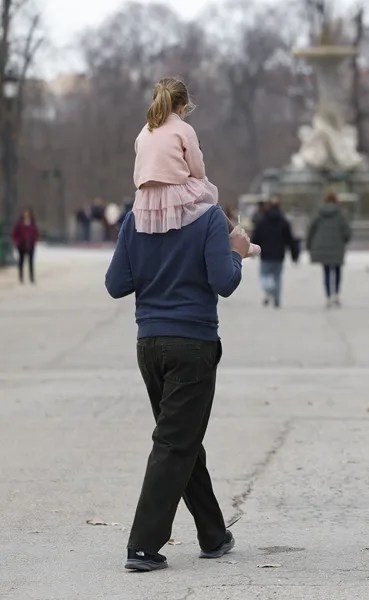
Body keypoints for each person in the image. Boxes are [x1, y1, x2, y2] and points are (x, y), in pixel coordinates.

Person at [105, 77, 253, 573]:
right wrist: (236, 252)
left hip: (149, 343)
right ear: (188, 154)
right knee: (174, 441)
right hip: (192, 343)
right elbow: (225, 283)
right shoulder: (209, 218)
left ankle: (213, 534)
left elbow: (115, 284)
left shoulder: (135, 219)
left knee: (181, 437)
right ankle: (143, 545)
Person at [251, 199, 299, 308]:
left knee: (264, 276)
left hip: (266, 254)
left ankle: (269, 291)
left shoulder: (262, 221)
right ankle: (276, 298)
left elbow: (256, 237)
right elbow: (290, 240)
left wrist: (252, 250)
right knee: (277, 277)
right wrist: (294, 254)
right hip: (279, 255)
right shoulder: (284, 222)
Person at [308, 191, 351, 308]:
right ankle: (336, 294)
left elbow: (311, 230)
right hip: (337, 247)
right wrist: (344, 240)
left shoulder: (319, 213)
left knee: (326, 271)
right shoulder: (340, 214)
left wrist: (309, 245)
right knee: (337, 271)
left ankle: (328, 296)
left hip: (322, 247)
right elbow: (346, 231)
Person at [12, 208, 39, 284]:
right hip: (21, 245)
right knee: (21, 261)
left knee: (31, 262)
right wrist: (17, 241)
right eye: (25, 214)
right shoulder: (19, 224)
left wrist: (34, 240)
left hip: (30, 244)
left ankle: (31, 277)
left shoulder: (32, 224)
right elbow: (14, 234)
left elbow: (36, 233)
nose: (26, 215)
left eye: (28, 214)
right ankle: (21, 277)